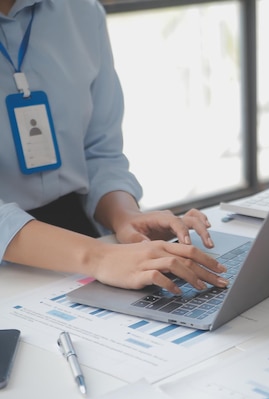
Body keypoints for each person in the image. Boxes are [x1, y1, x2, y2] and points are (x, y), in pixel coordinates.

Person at [0, 0, 228, 294]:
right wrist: (99, 257)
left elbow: (100, 152)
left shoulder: (81, 11)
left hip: (82, 238)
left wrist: (125, 217)